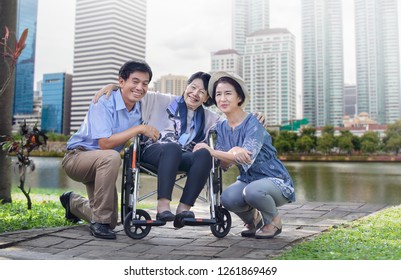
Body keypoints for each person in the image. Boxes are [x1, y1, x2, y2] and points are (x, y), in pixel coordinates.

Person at [94, 72, 266, 228]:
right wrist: (115, 87)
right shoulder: (162, 100)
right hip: (153, 152)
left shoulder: (210, 118)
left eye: (202, 92)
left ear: (207, 98)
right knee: (172, 147)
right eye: (193, 87)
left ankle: (183, 210)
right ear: (186, 87)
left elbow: (235, 119)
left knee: (205, 154)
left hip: (183, 156)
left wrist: (254, 117)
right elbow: (136, 92)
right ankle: (163, 206)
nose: (195, 93)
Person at [60, 59, 160, 239]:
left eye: (145, 84)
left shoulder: (140, 109)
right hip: (77, 158)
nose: (140, 87)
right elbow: (104, 144)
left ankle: (72, 202)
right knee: (112, 157)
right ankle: (98, 223)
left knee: (111, 221)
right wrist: (138, 129)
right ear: (121, 82)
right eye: (135, 81)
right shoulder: (104, 101)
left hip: (102, 164)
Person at [193, 71, 295, 239]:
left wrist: (213, 151)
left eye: (228, 93)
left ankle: (274, 221)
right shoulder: (221, 127)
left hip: (275, 179)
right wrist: (228, 153)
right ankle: (253, 220)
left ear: (239, 97)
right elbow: (225, 164)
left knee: (253, 192)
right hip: (248, 179)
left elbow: (247, 157)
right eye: (218, 94)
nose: (222, 99)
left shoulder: (254, 121)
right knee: (228, 198)